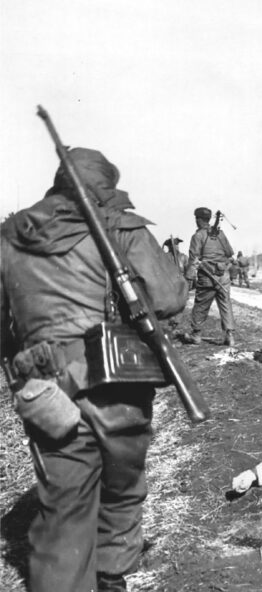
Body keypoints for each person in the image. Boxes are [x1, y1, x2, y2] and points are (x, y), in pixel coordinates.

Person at [0, 148, 188, 592]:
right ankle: (109, 577)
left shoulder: (12, 235)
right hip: (116, 379)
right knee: (121, 487)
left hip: (45, 385)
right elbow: (170, 297)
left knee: (64, 507)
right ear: (106, 183)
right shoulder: (118, 224)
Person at [183, 207, 236, 347]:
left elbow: (193, 259)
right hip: (223, 275)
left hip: (207, 276)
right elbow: (230, 253)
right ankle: (230, 336)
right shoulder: (221, 234)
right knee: (225, 304)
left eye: (196, 219)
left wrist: (188, 278)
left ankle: (196, 335)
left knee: (201, 305)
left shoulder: (198, 236)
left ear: (198, 220)